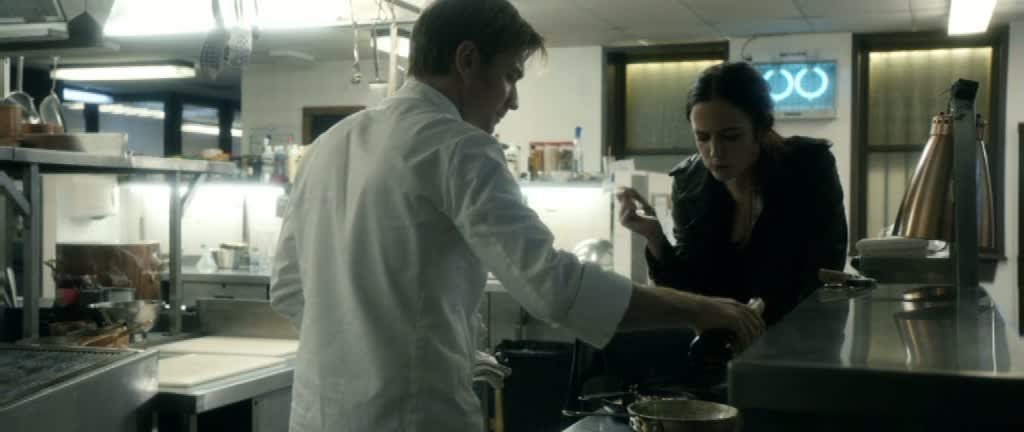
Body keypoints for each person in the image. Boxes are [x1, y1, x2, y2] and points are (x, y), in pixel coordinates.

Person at [269, 1, 764, 431]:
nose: (514, 99)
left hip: (316, 416)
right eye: (510, 75)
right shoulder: (458, 147)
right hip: (414, 418)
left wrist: (376, 355)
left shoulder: (328, 144)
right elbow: (553, 288)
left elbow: (288, 289)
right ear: (467, 60)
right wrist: (706, 310)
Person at [618, 61, 848, 327]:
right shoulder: (689, 184)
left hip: (798, 336)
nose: (715, 152)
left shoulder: (808, 167)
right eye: (703, 137)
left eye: (731, 136)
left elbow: (823, 272)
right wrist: (654, 237)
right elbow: (689, 292)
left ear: (761, 129)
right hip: (724, 337)